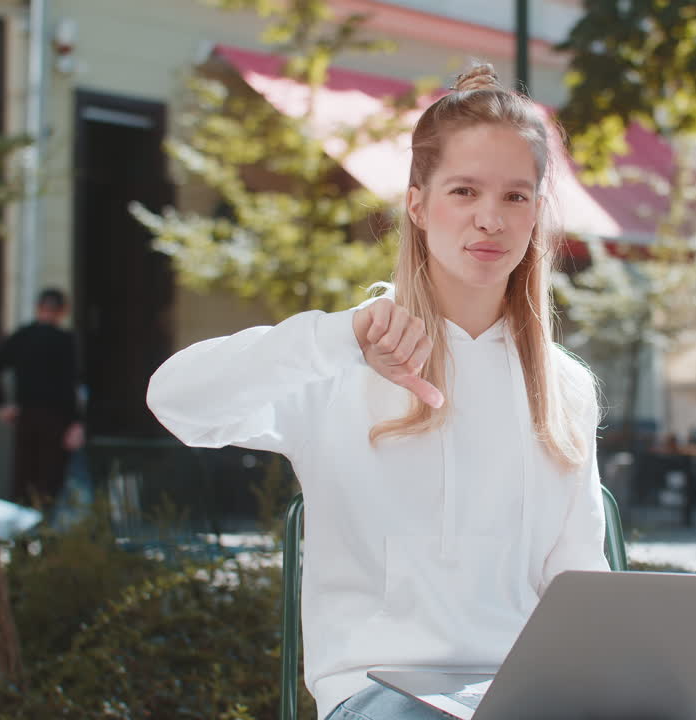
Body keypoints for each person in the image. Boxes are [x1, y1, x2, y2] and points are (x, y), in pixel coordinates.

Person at [147, 65, 608, 720]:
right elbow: (176, 401)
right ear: (417, 204)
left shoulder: (565, 388)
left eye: (515, 196)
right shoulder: (340, 359)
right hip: (378, 694)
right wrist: (338, 338)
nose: (490, 219)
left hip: (521, 697)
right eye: (464, 191)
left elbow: (582, 586)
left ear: (536, 212)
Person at [0, 288, 85, 511]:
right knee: (49, 480)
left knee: (25, 477)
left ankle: (26, 526)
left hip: (29, 416)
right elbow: (71, 384)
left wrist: (1, 405)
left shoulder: (23, 336)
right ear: (63, 311)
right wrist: (76, 422)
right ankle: (43, 525)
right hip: (55, 418)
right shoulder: (63, 340)